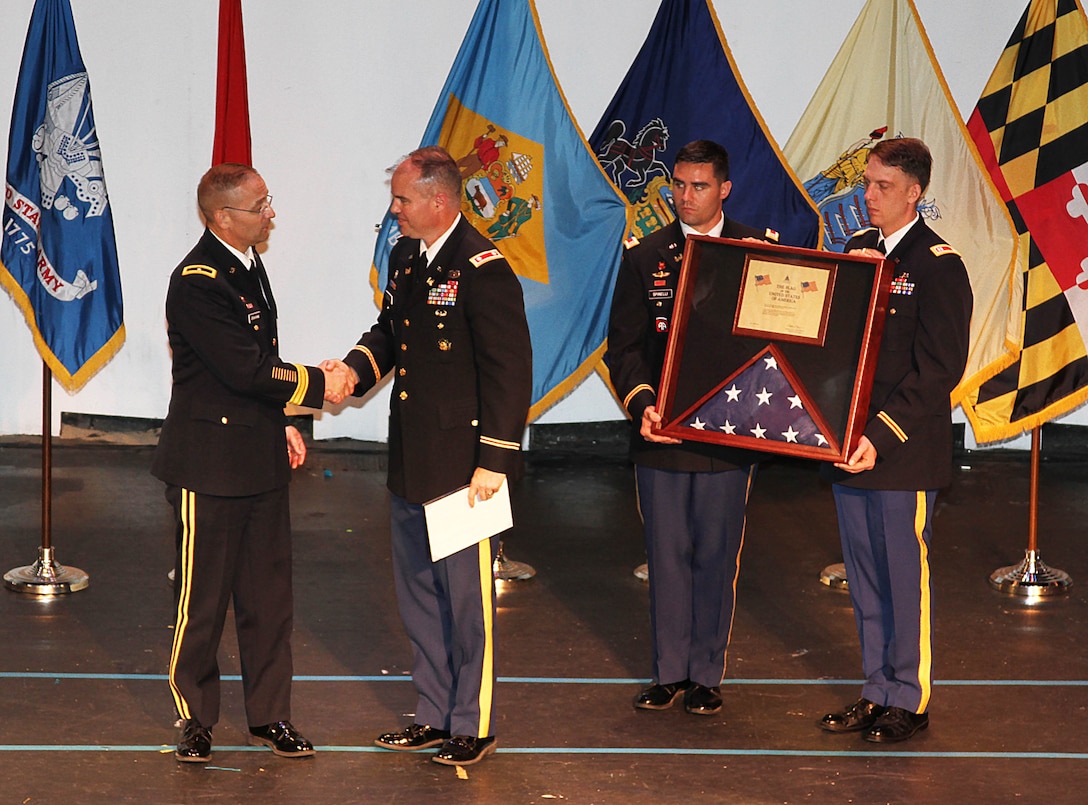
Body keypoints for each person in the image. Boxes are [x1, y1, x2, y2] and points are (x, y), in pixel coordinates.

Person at [334, 146, 531, 766]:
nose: (393, 211)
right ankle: (432, 713)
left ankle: (471, 724)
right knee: (418, 592)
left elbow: (509, 371)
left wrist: (493, 461)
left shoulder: (484, 269)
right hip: (412, 457)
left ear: (439, 201)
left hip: (465, 467)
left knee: (466, 602)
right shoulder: (405, 257)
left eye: (402, 200)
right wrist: (351, 373)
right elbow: (392, 333)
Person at [151, 163, 355, 763]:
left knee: (268, 599)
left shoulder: (247, 266)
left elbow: (260, 358)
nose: (271, 214)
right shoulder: (197, 280)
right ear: (222, 217)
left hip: (258, 456)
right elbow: (243, 369)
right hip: (208, 464)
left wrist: (288, 420)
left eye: (269, 201)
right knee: (203, 601)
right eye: (260, 206)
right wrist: (321, 383)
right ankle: (196, 717)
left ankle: (270, 716)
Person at [606, 140, 777, 718]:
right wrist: (643, 404)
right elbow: (624, 349)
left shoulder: (757, 254)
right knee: (667, 553)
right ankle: (669, 671)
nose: (684, 196)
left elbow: (776, 347)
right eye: (677, 184)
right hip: (662, 433)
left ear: (724, 189)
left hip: (728, 435)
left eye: (698, 186)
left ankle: (706, 673)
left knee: (716, 555)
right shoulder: (645, 256)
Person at [818, 137, 972, 743]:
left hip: (900, 450)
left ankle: (909, 697)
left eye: (882, 186)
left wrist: (879, 436)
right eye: (867, 184)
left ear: (915, 193)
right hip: (848, 444)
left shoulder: (939, 264)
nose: (868, 195)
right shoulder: (857, 251)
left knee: (902, 575)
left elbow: (938, 369)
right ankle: (875, 688)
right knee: (863, 575)